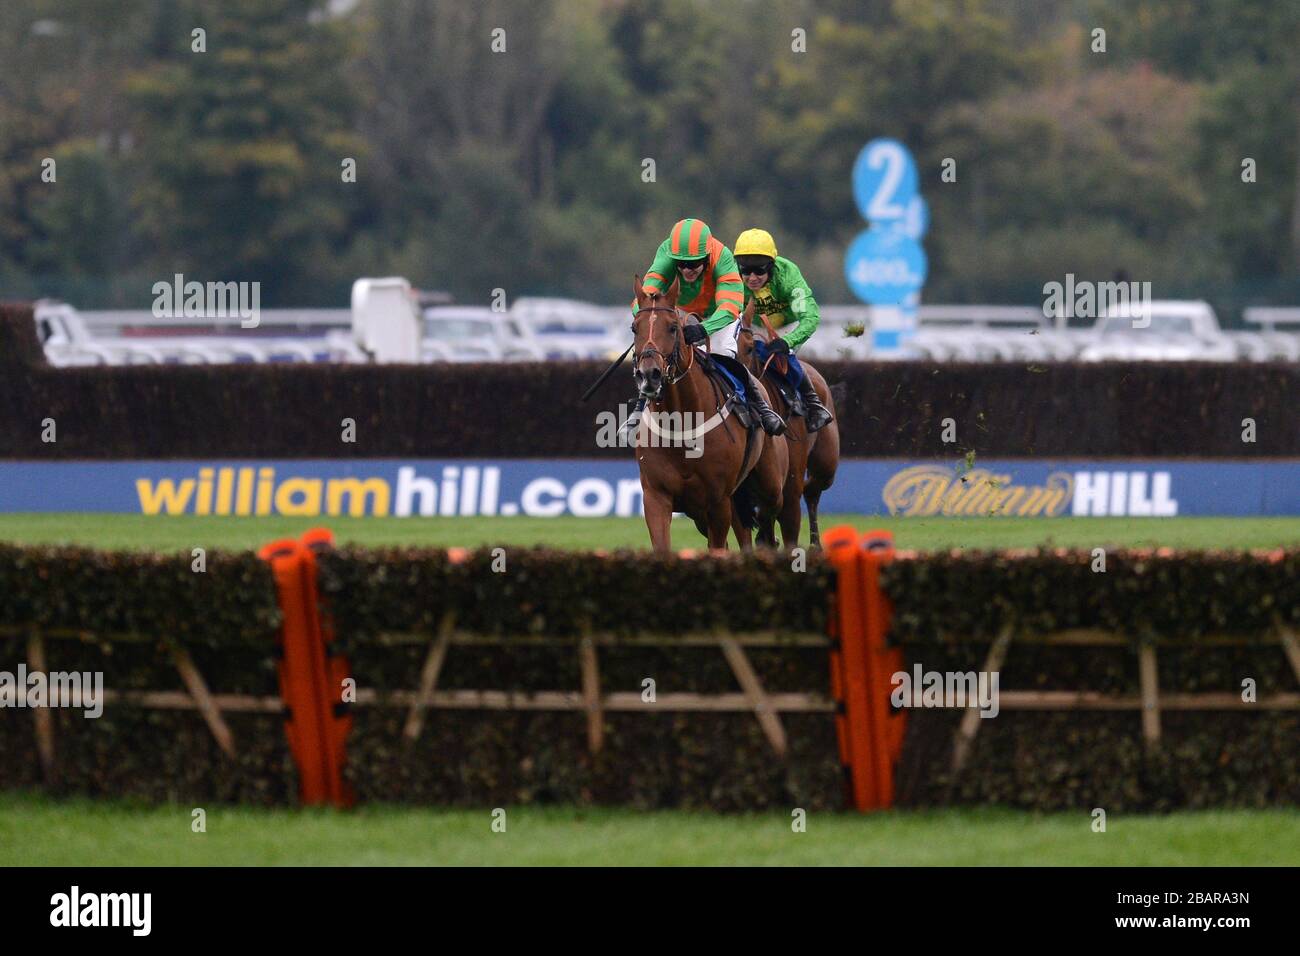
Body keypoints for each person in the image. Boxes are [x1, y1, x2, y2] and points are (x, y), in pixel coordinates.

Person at [623, 218, 786, 440]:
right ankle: (640, 407)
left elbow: (729, 308)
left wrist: (703, 329)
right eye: (681, 264)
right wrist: (645, 317)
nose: (687, 270)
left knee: (722, 354)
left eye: (694, 263)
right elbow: (644, 297)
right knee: (655, 353)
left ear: (707, 257)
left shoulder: (723, 258)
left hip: (718, 315)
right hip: (679, 312)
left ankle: (759, 405)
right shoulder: (666, 253)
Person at [732, 228, 833, 431]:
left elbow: (810, 317)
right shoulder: (731, 276)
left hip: (787, 325)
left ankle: (814, 403)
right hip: (752, 323)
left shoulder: (788, 275)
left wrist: (787, 341)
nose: (752, 277)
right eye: (746, 270)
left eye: (759, 270)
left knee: (780, 354)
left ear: (771, 265)